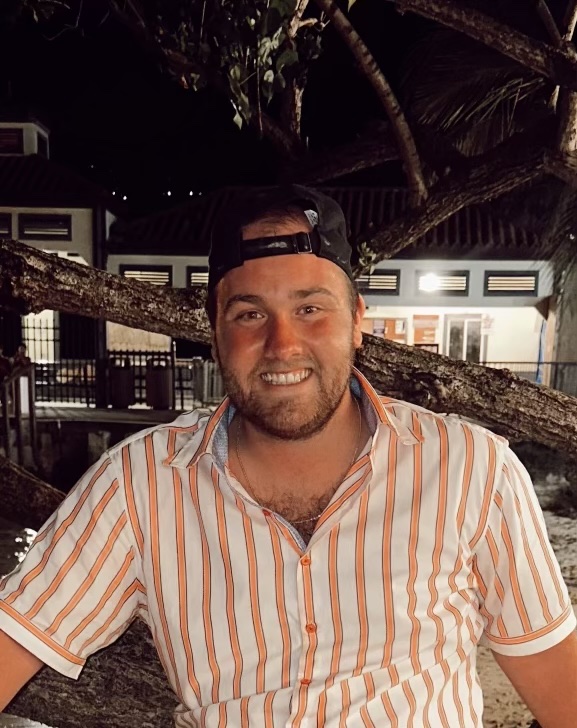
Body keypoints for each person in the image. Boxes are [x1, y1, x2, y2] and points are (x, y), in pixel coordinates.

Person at [0, 185, 576, 726]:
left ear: (357, 322)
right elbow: (16, 634)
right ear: (216, 333)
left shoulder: (471, 469)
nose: (282, 345)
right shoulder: (140, 485)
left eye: (310, 309)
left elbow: (560, 687)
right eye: (249, 314)